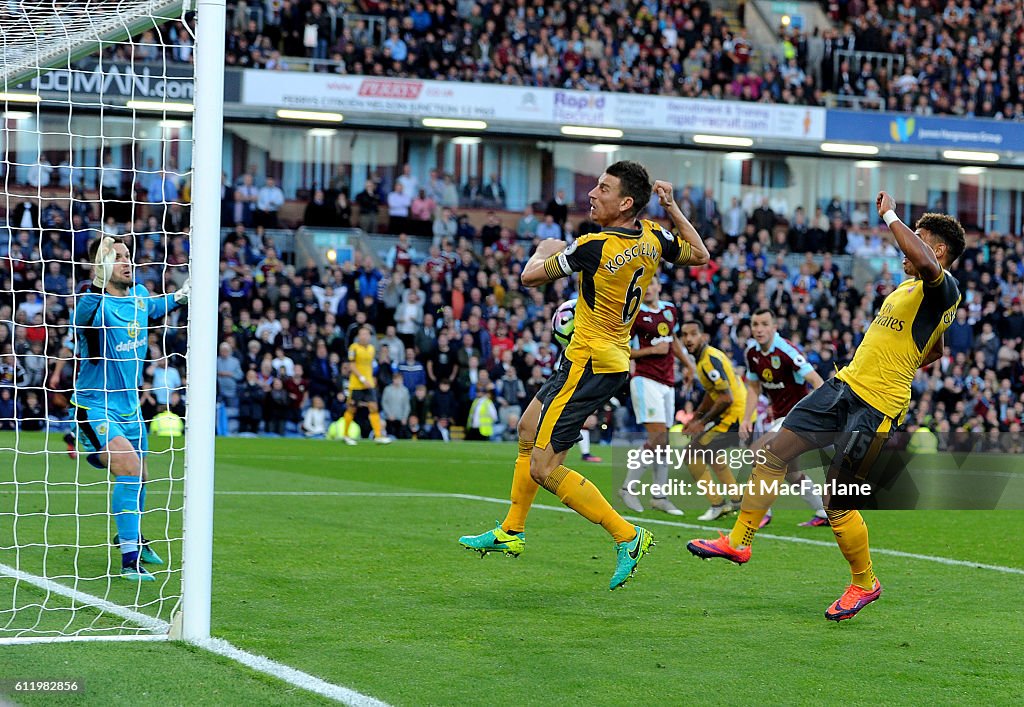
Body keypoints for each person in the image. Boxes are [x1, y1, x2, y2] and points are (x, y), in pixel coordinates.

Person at [688, 193, 965, 622]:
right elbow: (934, 349)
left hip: (876, 406)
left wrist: (890, 216)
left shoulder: (944, 285)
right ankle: (739, 541)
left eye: (919, 239)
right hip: (844, 386)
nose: (905, 249)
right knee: (773, 451)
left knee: (838, 498)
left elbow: (926, 270)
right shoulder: (912, 292)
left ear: (938, 250)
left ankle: (864, 583)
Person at [458, 161, 710, 590]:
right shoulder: (653, 237)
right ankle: (511, 531)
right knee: (526, 428)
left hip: (590, 363)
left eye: (603, 188)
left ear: (625, 202)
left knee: (542, 467)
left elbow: (529, 277)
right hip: (592, 358)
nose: (592, 194)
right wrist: (671, 206)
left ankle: (628, 536)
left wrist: (544, 247)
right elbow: (700, 254)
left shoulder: (594, 245)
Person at [71, 236, 189, 581]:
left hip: (131, 409)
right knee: (130, 469)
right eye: (117, 257)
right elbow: (84, 314)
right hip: (95, 406)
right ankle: (129, 559)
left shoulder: (138, 296)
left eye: (127, 255)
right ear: (101, 267)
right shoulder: (92, 302)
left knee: (141, 477)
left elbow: (155, 307)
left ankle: (134, 535)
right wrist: (97, 277)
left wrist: (182, 295)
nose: (127, 262)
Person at [741, 309, 828, 528]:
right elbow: (753, 387)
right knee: (791, 472)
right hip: (779, 418)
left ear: (774, 327)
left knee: (756, 453)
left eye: (764, 324)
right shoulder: (752, 353)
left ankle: (760, 512)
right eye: (755, 324)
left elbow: (817, 382)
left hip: (797, 417)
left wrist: (815, 414)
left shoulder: (786, 350)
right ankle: (825, 512)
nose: (759, 329)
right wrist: (745, 418)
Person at [619, 278, 690, 516]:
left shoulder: (670, 310)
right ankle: (628, 488)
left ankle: (659, 496)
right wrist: (651, 351)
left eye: (652, 284)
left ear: (659, 287)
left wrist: (689, 365)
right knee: (659, 438)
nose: (648, 289)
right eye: (644, 286)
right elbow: (622, 348)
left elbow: (674, 341)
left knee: (664, 444)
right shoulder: (635, 313)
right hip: (644, 379)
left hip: (667, 382)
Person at [677, 320, 752, 520]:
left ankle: (717, 504)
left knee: (691, 454)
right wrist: (695, 417)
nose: (688, 339)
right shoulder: (705, 358)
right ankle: (737, 501)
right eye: (684, 335)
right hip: (737, 412)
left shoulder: (708, 360)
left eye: (693, 334)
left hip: (735, 415)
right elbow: (712, 395)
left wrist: (701, 422)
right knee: (711, 453)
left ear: (703, 336)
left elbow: (726, 398)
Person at [340, 326, 392, 445]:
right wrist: (363, 379)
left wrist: (370, 379)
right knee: (351, 408)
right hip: (356, 384)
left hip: (369, 384)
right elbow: (352, 366)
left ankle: (378, 435)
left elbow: (368, 366)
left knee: (374, 407)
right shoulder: (353, 348)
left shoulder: (371, 349)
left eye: (366, 334)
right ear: (358, 336)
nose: (364, 336)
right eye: (362, 334)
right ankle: (345, 435)